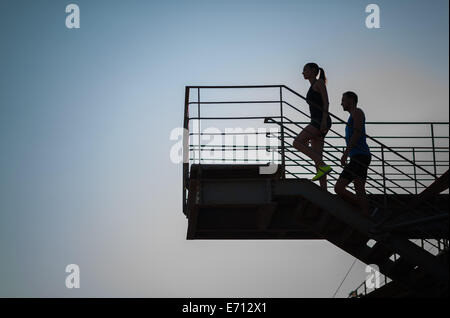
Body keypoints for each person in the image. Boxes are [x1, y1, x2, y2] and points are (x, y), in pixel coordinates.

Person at [293, 63, 333, 190]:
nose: (303, 72)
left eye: (305, 70)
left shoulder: (319, 83)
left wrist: (323, 121)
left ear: (313, 70)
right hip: (317, 120)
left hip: (319, 121)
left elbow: (326, 102)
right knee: (317, 155)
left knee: (297, 142)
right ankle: (324, 190)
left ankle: (323, 165)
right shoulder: (312, 86)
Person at [334, 91, 372, 217]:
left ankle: (364, 207)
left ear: (351, 100)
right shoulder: (352, 115)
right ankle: (366, 212)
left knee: (338, 188)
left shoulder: (358, 112)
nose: (341, 103)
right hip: (359, 156)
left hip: (360, 156)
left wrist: (345, 153)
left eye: (343, 100)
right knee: (359, 187)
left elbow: (357, 133)